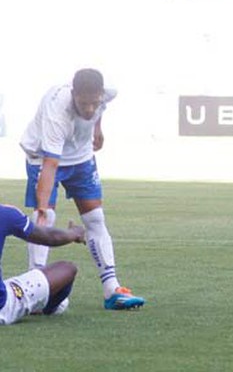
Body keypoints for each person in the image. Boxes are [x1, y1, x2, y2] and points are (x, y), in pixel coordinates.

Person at [19, 68, 145, 310]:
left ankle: (112, 290)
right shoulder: (56, 111)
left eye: (93, 103)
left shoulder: (106, 94)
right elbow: (51, 164)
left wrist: (97, 129)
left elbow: (100, 109)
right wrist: (42, 207)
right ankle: (35, 290)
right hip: (42, 156)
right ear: (73, 93)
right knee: (45, 217)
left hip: (81, 157)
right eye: (83, 103)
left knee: (96, 218)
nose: (89, 109)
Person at [0, 204, 85, 325]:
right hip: (3, 307)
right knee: (68, 268)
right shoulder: (4, 213)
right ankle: (45, 307)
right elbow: (51, 237)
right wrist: (75, 232)